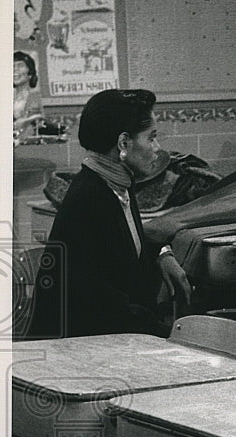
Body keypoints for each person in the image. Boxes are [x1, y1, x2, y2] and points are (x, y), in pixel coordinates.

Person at [28, 89, 192, 339]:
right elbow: (98, 303)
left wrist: (162, 253)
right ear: (123, 143)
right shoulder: (89, 197)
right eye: (151, 138)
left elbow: (121, 248)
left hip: (108, 334)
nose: (157, 148)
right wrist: (168, 335)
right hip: (80, 346)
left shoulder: (115, 183)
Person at [13, 51, 44, 134]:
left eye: (20, 65)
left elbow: (37, 118)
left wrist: (25, 121)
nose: (15, 69)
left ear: (30, 72)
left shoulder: (34, 96)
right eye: (12, 66)